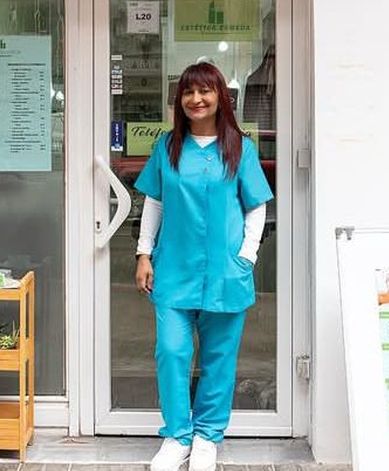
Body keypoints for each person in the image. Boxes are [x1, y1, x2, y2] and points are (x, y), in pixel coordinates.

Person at [133, 62, 273, 471]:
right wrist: (144, 253)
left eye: (205, 91)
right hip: (173, 269)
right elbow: (154, 203)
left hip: (225, 272)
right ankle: (177, 436)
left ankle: (208, 437)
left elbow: (257, 207)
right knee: (172, 352)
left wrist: (246, 256)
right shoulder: (168, 146)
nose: (196, 99)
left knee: (218, 357)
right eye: (189, 92)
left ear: (220, 98)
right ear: (180, 99)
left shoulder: (239, 148)